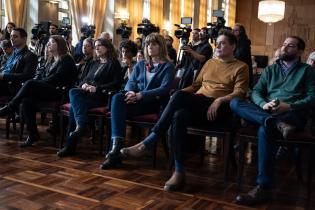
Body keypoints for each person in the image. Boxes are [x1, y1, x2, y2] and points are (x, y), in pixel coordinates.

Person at [120, 30, 249, 191]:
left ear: (233, 46)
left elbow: (240, 92)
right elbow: (195, 86)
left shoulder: (241, 66)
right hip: (201, 104)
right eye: (218, 42)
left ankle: (150, 141)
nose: (218, 46)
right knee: (179, 114)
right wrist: (177, 95)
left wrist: (219, 100)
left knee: (179, 97)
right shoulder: (210, 63)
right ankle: (179, 171)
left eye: (223, 43)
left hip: (221, 108)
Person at [229, 36, 315, 206]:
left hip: (292, 114)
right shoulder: (271, 69)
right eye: (284, 44)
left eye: (290, 46)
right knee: (235, 102)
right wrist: (263, 103)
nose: (285, 48)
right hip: (269, 111)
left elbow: (313, 97)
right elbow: (256, 92)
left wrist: (289, 106)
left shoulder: (307, 71)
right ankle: (273, 122)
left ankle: (263, 187)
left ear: (299, 51)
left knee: (264, 129)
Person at [99, 33, 175, 169]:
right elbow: (131, 82)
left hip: (152, 105)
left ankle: (115, 153)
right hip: (136, 101)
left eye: (154, 44)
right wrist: (131, 92)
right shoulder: (141, 64)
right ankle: (117, 147)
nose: (149, 47)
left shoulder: (168, 66)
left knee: (117, 105)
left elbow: (164, 89)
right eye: (147, 44)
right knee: (117, 97)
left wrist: (141, 95)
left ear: (161, 46)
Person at [0, 35, 78, 147]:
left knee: (30, 83)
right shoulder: (51, 60)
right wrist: (37, 81)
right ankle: (33, 134)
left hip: (60, 92)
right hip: (48, 90)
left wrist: (37, 83)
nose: (48, 44)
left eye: (52, 42)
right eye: (48, 43)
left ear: (59, 45)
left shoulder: (66, 59)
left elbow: (55, 79)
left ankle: (10, 107)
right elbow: (40, 75)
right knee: (27, 100)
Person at [57, 38, 122, 157]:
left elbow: (117, 84)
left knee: (73, 108)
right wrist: (84, 85)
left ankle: (70, 145)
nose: (96, 48)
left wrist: (97, 88)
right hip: (86, 96)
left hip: (100, 97)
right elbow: (83, 80)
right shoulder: (93, 62)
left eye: (100, 46)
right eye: (96, 46)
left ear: (107, 47)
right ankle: (81, 126)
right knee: (73, 92)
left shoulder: (113, 63)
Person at [0, 28, 38, 97]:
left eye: (15, 36)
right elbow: (6, 67)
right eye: (11, 36)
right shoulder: (12, 53)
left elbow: (26, 76)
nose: (11, 39)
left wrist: (3, 76)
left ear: (24, 39)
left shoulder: (31, 56)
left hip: (12, 85)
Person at [233, 23, 253, 88]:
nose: (233, 32)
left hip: (243, 67)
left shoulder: (246, 42)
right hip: (236, 66)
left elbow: (239, 55)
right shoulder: (234, 41)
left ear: (241, 31)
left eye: (236, 30)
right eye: (233, 30)